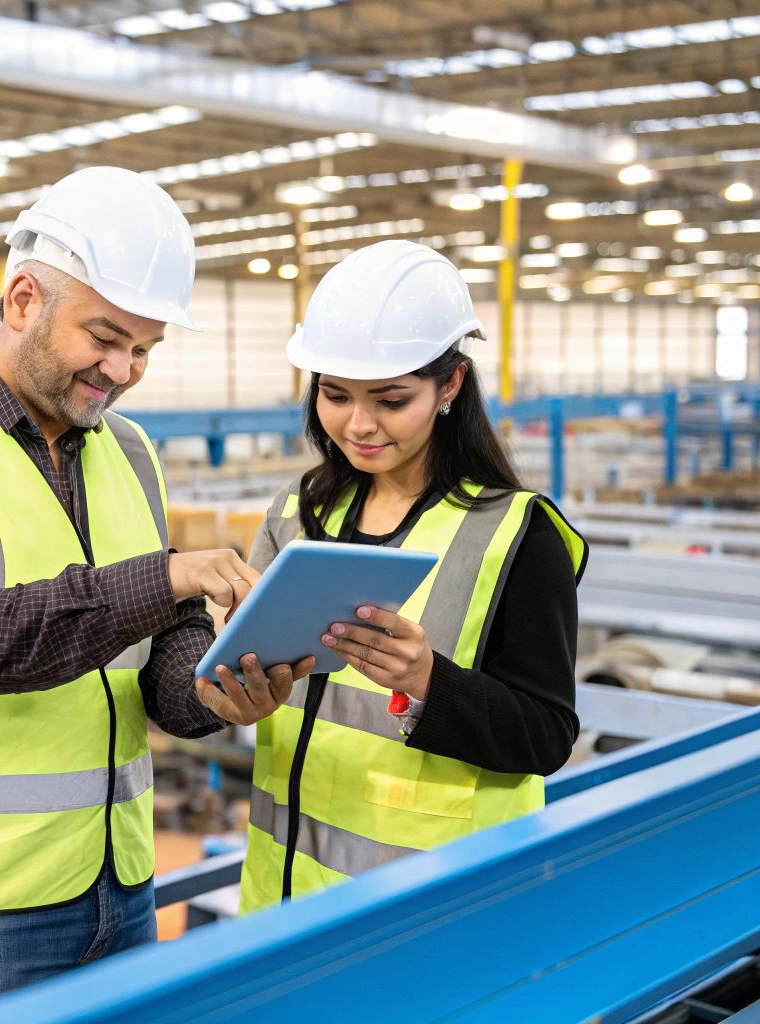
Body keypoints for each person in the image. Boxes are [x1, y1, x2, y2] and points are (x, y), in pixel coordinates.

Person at [0, 166, 309, 1023]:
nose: (122, 370)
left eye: (145, 349)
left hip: (119, 884)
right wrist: (162, 576)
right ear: (23, 301)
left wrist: (216, 692)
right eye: (106, 337)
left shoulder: (132, 455)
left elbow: (164, 653)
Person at [235, 239, 588, 911]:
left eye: (391, 400)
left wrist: (429, 682)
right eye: (334, 395)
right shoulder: (297, 511)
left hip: (434, 907)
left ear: (450, 385)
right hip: (281, 902)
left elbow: (546, 735)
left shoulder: (517, 533)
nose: (358, 425)